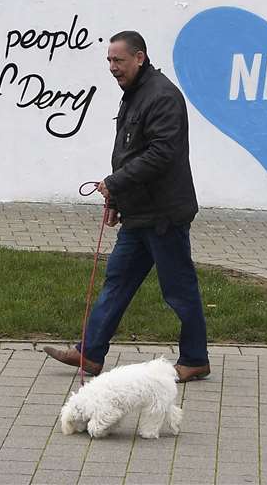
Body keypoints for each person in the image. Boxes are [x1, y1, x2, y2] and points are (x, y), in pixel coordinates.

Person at [43, 31, 211, 383]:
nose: (112, 68)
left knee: (178, 290)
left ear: (140, 57)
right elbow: (128, 154)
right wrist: (116, 200)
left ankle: (195, 359)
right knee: (116, 283)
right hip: (139, 214)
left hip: (165, 214)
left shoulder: (162, 96)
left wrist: (115, 183)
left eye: (118, 60)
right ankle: (89, 354)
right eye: (109, 60)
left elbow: (161, 154)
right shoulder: (134, 95)